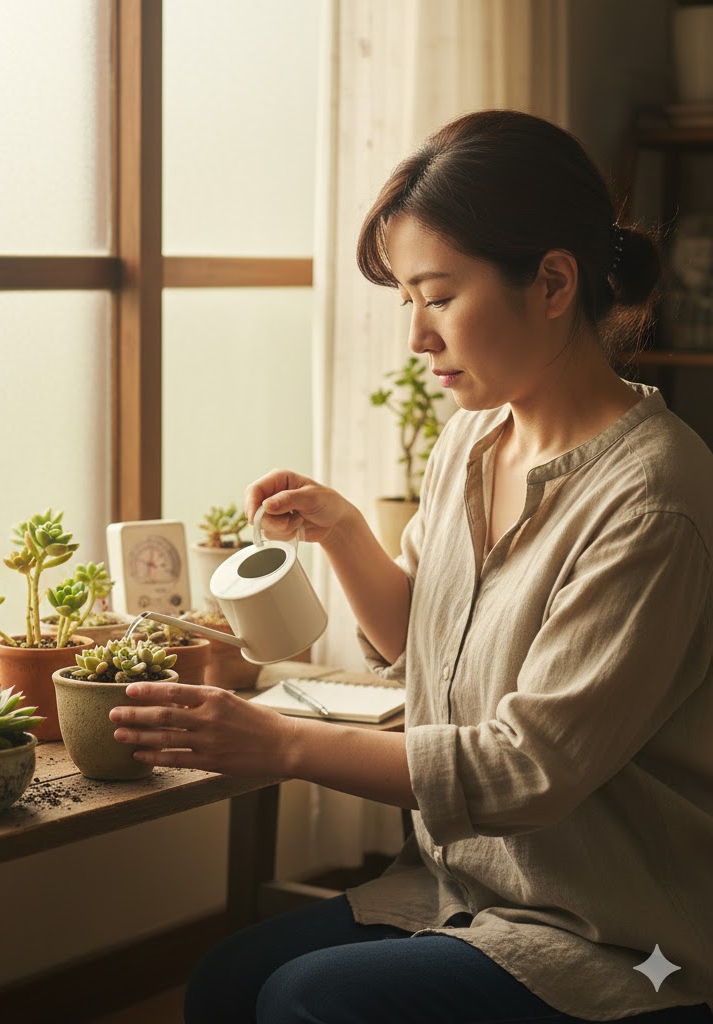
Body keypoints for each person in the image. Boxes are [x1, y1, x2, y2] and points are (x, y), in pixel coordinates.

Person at [109, 109, 713, 1023]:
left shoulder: (654, 499)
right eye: (406, 303)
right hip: (462, 892)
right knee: (226, 984)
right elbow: (420, 647)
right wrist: (345, 533)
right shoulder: (473, 440)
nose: (417, 339)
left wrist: (285, 746)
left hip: (628, 937)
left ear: (553, 282)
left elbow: (526, 770)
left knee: (309, 1003)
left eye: (438, 296)